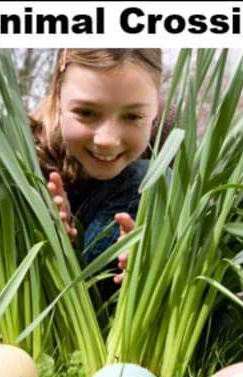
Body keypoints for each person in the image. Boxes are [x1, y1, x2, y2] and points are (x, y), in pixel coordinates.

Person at [30, 49, 167, 301]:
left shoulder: (173, 155)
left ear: (156, 106)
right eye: (86, 113)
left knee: (151, 177)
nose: (107, 140)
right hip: (52, 306)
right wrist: (47, 243)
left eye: (132, 116)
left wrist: (159, 263)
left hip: (124, 310)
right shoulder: (28, 156)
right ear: (59, 95)